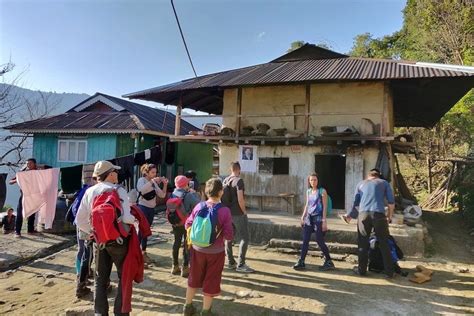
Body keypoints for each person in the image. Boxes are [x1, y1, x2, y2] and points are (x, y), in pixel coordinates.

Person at [75, 160, 136, 315]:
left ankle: (100, 313)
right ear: (110, 174)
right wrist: (135, 221)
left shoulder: (90, 191)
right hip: (120, 241)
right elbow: (127, 218)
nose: (117, 174)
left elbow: (80, 220)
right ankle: (120, 313)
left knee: (100, 280)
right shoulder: (119, 191)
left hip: (99, 241)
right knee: (124, 278)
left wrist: (93, 232)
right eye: (115, 171)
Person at [183, 177, 233, 316]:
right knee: (211, 279)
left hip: (197, 249)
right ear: (221, 192)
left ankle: (187, 307)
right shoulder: (225, 211)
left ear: (206, 191)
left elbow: (187, 224)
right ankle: (205, 311)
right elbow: (229, 235)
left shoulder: (199, 206)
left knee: (193, 277)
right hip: (215, 252)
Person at [352, 168, 395, 278]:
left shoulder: (361, 184)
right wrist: (389, 217)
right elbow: (391, 203)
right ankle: (389, 272)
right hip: (379, 215)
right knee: (384, 243)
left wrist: (351, 216)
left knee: (362, 242)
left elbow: (355, 204)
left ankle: (362, 270)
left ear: (368, 176)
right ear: (378, 176)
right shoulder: (384, 183)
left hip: (363, 215)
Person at [293, 173, 335, 271]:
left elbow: (324, 206)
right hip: (309, 218)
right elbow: (307, 205)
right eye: (311, 180)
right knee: (305, 240)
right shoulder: (308, 191)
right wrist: (302, 216)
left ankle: (329, 261)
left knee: (319, 240)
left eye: (315, 180)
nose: (313, 182)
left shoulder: (322, 191)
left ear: (318, 181)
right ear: (309, 181)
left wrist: (324, 221)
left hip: (319, 218)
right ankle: (301, 261)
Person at [223, 162, 254, 273]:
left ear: (230, 169)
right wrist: (244, 211)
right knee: (244, 238)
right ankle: (241, 264)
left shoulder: (225, 180)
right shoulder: (239, 181)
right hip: (238, 213)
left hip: (227, 213)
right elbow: (240, 198)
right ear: (239, 169)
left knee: (229, 238)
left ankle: (231, 262)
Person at [136, 163, 168, 264]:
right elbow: (141, 189)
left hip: (151, 209)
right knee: (141, 230)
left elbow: (162, 195)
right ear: (146, 172)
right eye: (152, 172)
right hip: (142, 207)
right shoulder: (142, 180)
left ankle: (143, 252)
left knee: (146, 231)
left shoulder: (153, 183)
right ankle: (136, 252)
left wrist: (165, 184)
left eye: (155, 172)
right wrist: (152, 181)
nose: (154, 174)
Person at [169, 175, 200, 277]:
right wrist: (194, 194)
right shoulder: (189, 195)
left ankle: (174, 266)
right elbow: (198, 205)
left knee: (176, 243)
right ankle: (185, 268)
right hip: (187, 223)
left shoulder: (172, 194)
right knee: (187, 244)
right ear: (185, 184)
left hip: (175, 222)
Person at [10, 158, 39, 237]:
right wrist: (18, 179)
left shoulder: (39, 172)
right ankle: (17, 231)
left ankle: (30, 230)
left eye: (30, 163)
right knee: (20, 213)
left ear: (34, 164)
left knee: (32, 213)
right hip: (24, 195)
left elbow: (49, 169)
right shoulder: (23, 173)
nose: (28, 165)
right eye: (27, 164)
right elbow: (10, 182)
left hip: (34, 195)